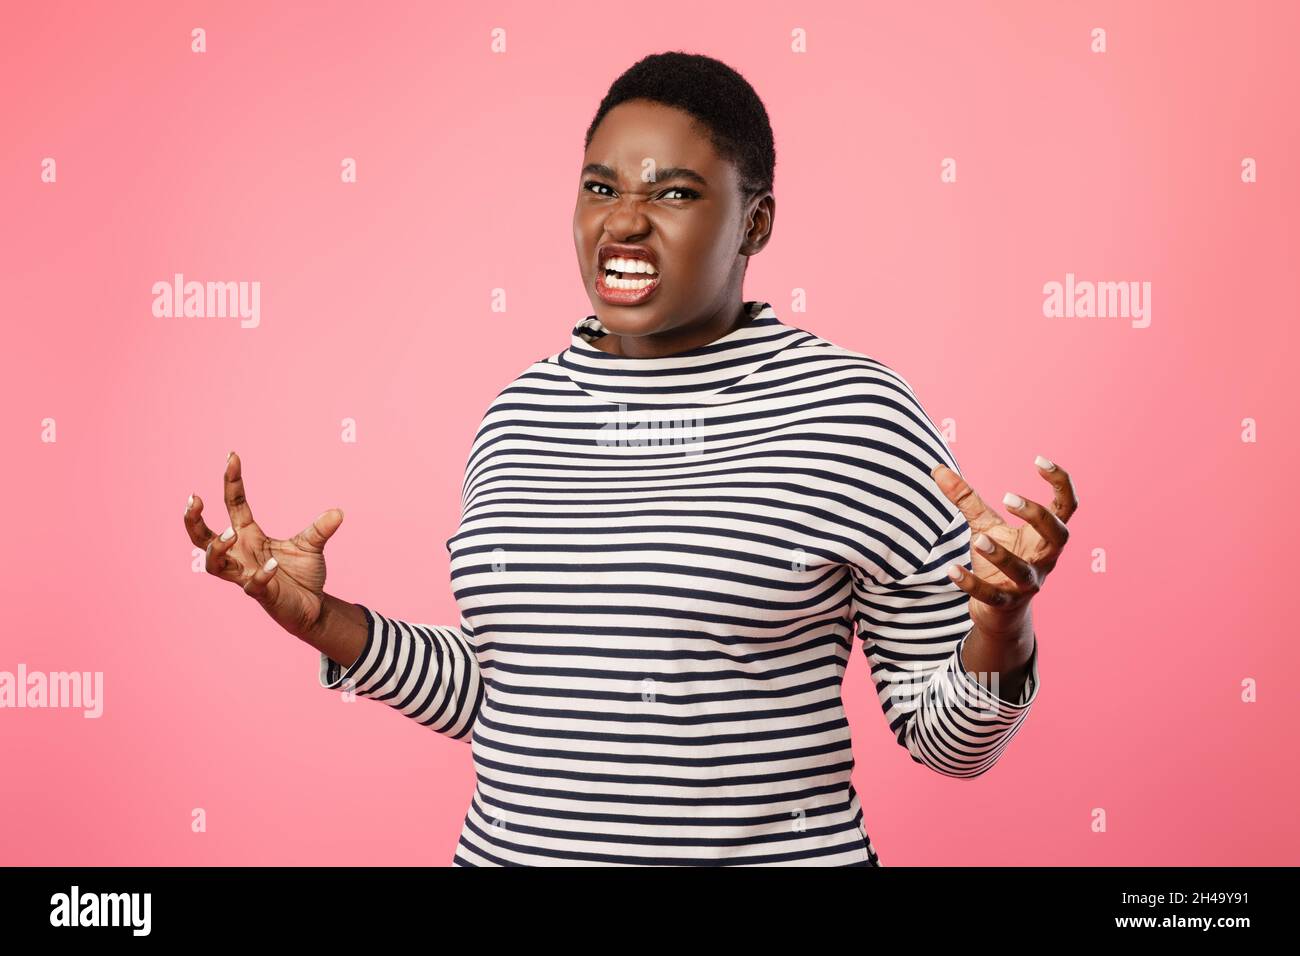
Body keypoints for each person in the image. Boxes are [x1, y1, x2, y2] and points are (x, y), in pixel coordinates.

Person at [183, 51, 1077, 866]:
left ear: (755, 223)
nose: (628, 222)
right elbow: (509, 704)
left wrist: (1004, 627)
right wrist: (327, 623)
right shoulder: (519, 416)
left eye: (677, 194)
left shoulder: (854, 413)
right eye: (601, 189)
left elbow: (948, 743)